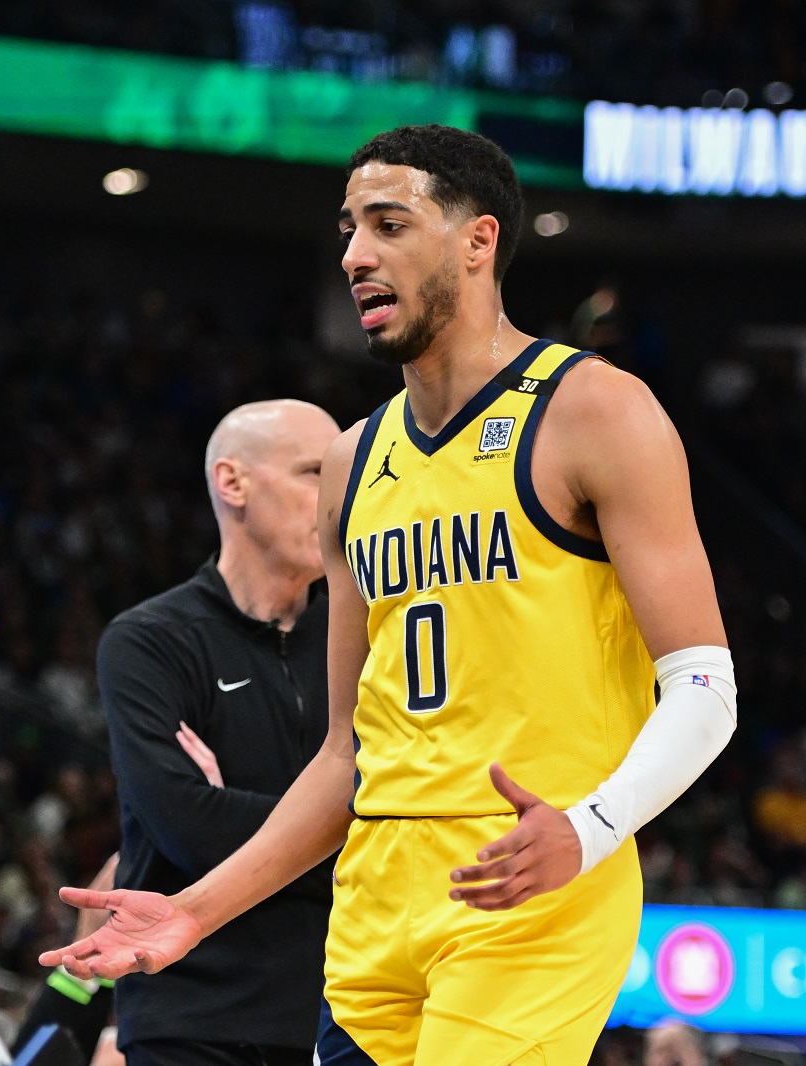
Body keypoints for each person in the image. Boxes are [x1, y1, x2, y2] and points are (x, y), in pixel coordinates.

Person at [42, 124, 736, 1066]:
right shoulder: (352, 462)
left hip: (525, 888)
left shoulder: (594, 411)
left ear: (478, 240)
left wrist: (590, 828)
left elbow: (704, 690)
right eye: (347, 228)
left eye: (387, 224)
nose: (355, 255)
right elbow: (344, 755)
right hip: (372, 907)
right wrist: (194, 912)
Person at [96, 400, 338, 1066]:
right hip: (192, 1019)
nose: (338, 501)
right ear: (233, 483)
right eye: (316, 472)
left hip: (342, 1012)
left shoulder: (370, 638)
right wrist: (348, 824)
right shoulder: (149, 641)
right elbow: (184, 825)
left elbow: (407, 823)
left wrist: (235, 806)